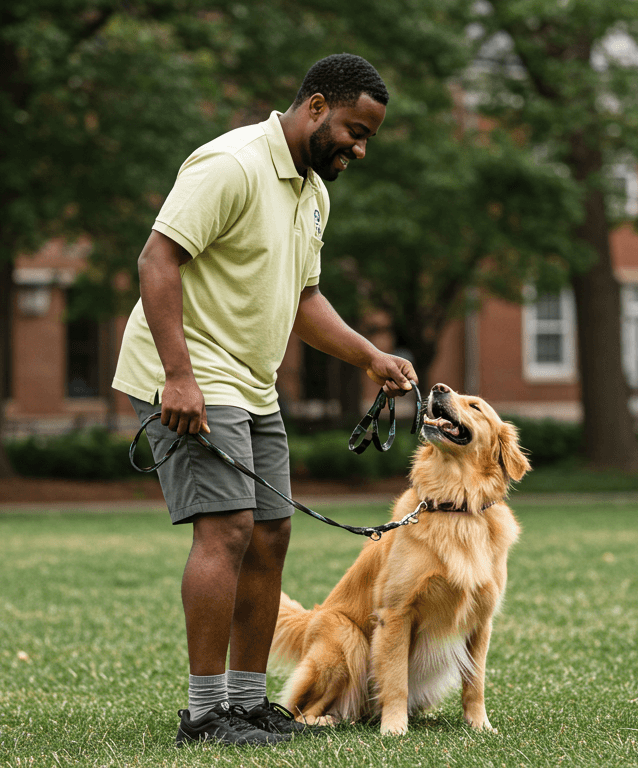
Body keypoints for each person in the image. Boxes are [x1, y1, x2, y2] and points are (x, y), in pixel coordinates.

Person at [111, 54, 418, 747]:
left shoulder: (313, 192)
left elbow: (302, 299)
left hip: (252, 381)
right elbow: (157, 260)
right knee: (226, 528)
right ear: (314, 107)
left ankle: (247, 707)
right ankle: (204, 712)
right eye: (353, 130)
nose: (359, 148)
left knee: (273, 531)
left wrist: (368, 354)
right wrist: (178, 378)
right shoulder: (232, 164)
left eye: (368, 137)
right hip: (188, 372)